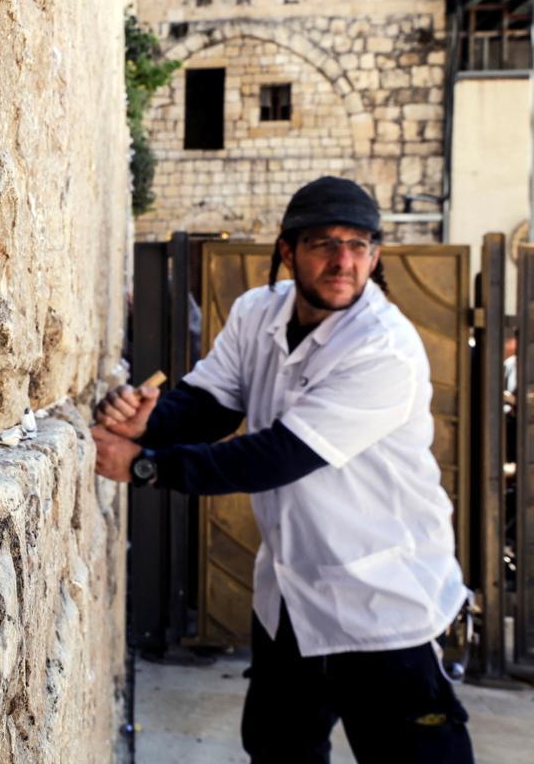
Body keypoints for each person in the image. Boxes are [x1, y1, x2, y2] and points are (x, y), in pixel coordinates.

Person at [93, 176, 473, 763]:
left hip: (384, 601)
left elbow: (279, 456)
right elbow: (212, 402)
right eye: (324, 243)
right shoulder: (256, 312)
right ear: (288, 249)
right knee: (278, 751)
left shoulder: (384, 348)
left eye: (359, 245)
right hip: (291, 597)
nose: (343, 261)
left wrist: (145, 468)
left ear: (375, 256)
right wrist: (151, 422)